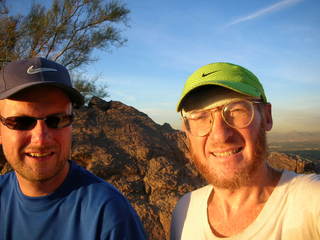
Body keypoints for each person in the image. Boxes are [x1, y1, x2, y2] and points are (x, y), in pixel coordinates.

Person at [0, 57, 146, 239]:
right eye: (21, 121)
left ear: (71, 125)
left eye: (57, 120)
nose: (40, 138)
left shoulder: (107, 214)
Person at [170, 62, 320, 240]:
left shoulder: (312, 202)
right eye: (201, 117)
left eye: (236, 110)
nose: (220, 135)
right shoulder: (184, 212)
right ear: (186, 131)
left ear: (267, 117)